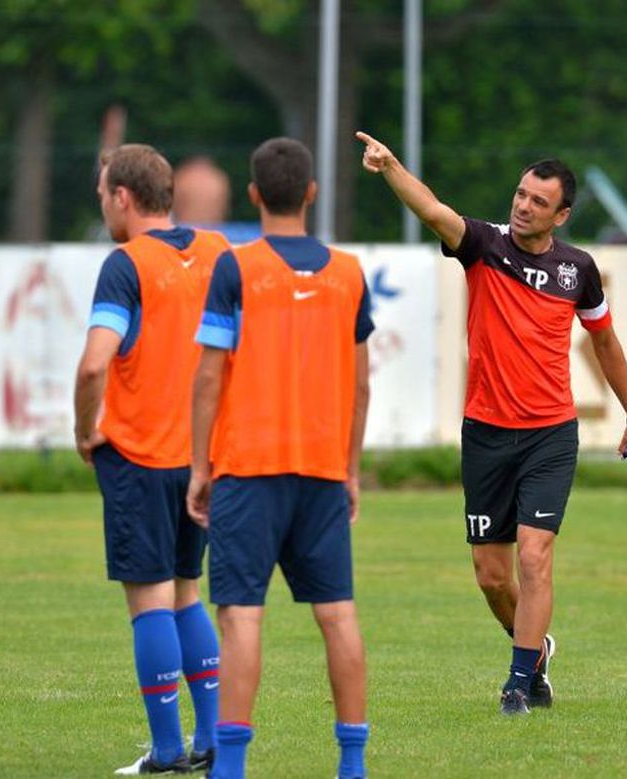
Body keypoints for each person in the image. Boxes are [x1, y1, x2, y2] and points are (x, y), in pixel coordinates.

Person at [355, 130, 627, 716]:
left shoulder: (578, 270)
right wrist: (390, 168)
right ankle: (536, 651)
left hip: (549, 434)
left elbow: (607, 344)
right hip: (485, 432)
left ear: (561, 214)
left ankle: (519, 684)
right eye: (520, 194)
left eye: (538, 202)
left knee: (535, 556)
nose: (522, 206)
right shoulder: (483, 246)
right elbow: (434, 209)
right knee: (492, 577)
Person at [187, 137, 374, 779]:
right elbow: (362, 383)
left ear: (255, 194)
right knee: (338, 615)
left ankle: (231, 768)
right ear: (312, 194)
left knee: (241, 614)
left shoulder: (235, 268)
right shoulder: (348, 273)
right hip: (321, 469)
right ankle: (353, 765)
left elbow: (209, 376)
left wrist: (199, 467)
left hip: (248, 467)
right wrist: (349, 467)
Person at [73, 144, 230, 775]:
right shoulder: (219, 254)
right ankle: (214, 739)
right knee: (187, 594)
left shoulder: (126, 263)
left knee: (150, 602)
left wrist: (85, 429)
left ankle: (167, 751)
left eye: (103, 195)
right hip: (203, 459)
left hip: (139, 454)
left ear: (122, 198)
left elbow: (93, 363)